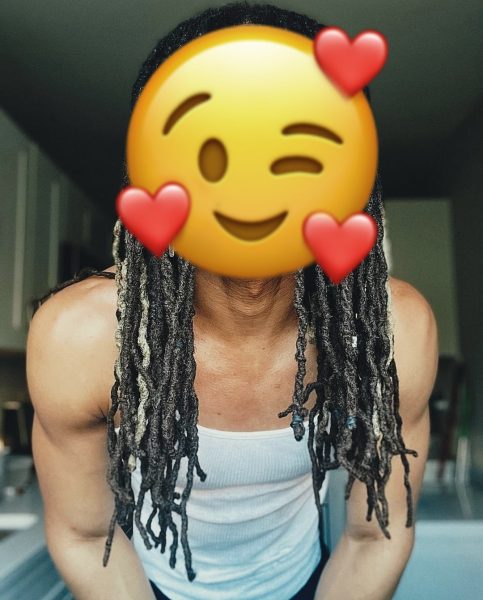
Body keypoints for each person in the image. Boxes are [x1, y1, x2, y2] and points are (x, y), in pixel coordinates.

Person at [26, 3, 438, 599]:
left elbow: (376, 535)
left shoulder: (392, 333)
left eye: (296, 150)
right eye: (214, 150)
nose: (253, 182)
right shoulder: (81, 338)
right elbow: (85, 537)